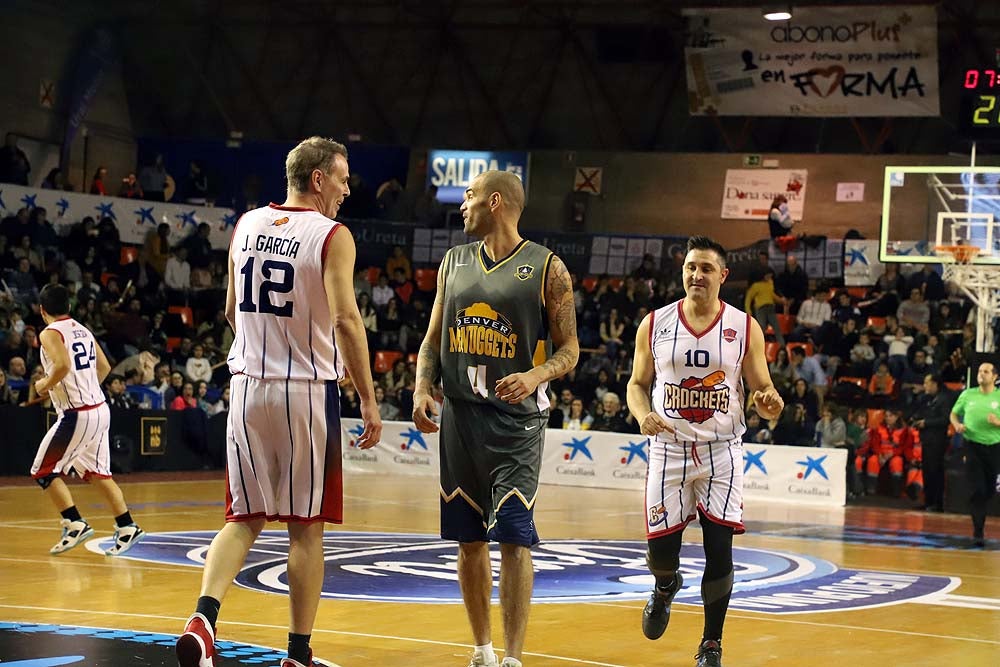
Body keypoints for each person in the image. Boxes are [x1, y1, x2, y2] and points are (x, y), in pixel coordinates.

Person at [175, 137, 382, 667]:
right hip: (305, 393)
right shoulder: (332, 234)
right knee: (305, 529)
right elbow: (346, 319)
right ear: (318, 179)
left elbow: (230, 310)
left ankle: (202, 619)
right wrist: (368, 396)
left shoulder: (245, 225)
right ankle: (297, 653)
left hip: (246, 387)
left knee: (242, 518)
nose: (346, 190)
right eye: (342, 179)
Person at [411, 170, 579, 667]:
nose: (462, 204)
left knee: (513, 536)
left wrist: (535, 374)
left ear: (496, 202)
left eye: (470, 195)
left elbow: (570, 349)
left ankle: (512, 658)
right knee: (469, 541)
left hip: (516, 424)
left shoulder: (547, 268)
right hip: (460, 420)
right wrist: (421, 386)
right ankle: (482, 650)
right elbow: (432, 338)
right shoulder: (453, 261)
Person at [625, 235, 784, 667]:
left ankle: (711, 643)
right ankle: (665, 586)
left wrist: (769, 403)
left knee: (720, 549)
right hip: (668, 448)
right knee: (661, 556)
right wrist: (642, 414)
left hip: (721, 451)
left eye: (706, 268)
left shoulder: (744, 327)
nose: (697, 275)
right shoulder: (654, 324)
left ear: (723, 276)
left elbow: (763, 389)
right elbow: (637, 384)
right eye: (691, 267)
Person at [28, 284, 145, 556]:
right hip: (99, 408)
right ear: (69, 307)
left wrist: (44, 384)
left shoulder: (49, 332)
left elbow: (63, 365)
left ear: (42, 310)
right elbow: (104, 367)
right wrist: (86, 387)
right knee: (98, 474)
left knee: (43, 470)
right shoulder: (82, 329)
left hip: (77, 413)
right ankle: (127, 526)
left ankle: (74, 523)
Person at [949, 362, 1000, 548]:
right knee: (977, 489)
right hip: (972, 446)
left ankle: (980, 508)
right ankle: (978, 531)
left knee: (988, 490)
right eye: (979, 371)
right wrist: (957, 425)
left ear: (994, 377)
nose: (981, 374)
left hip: (994, 447)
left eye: (986, 371)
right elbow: (953, 414)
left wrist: (998, 422)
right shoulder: (967, 394)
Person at [910, 374, 953, 512]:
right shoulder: (927, 399)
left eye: (927, 382)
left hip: (937, 441)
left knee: (935, 471)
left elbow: (945, 419)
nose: (924, 385)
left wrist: (926, 423)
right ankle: (928, 501)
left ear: (935, 384)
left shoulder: (944, 399)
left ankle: (937, 503)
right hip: (927, 440)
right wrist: (917, 419)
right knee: (927, 471)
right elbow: (923, 413)